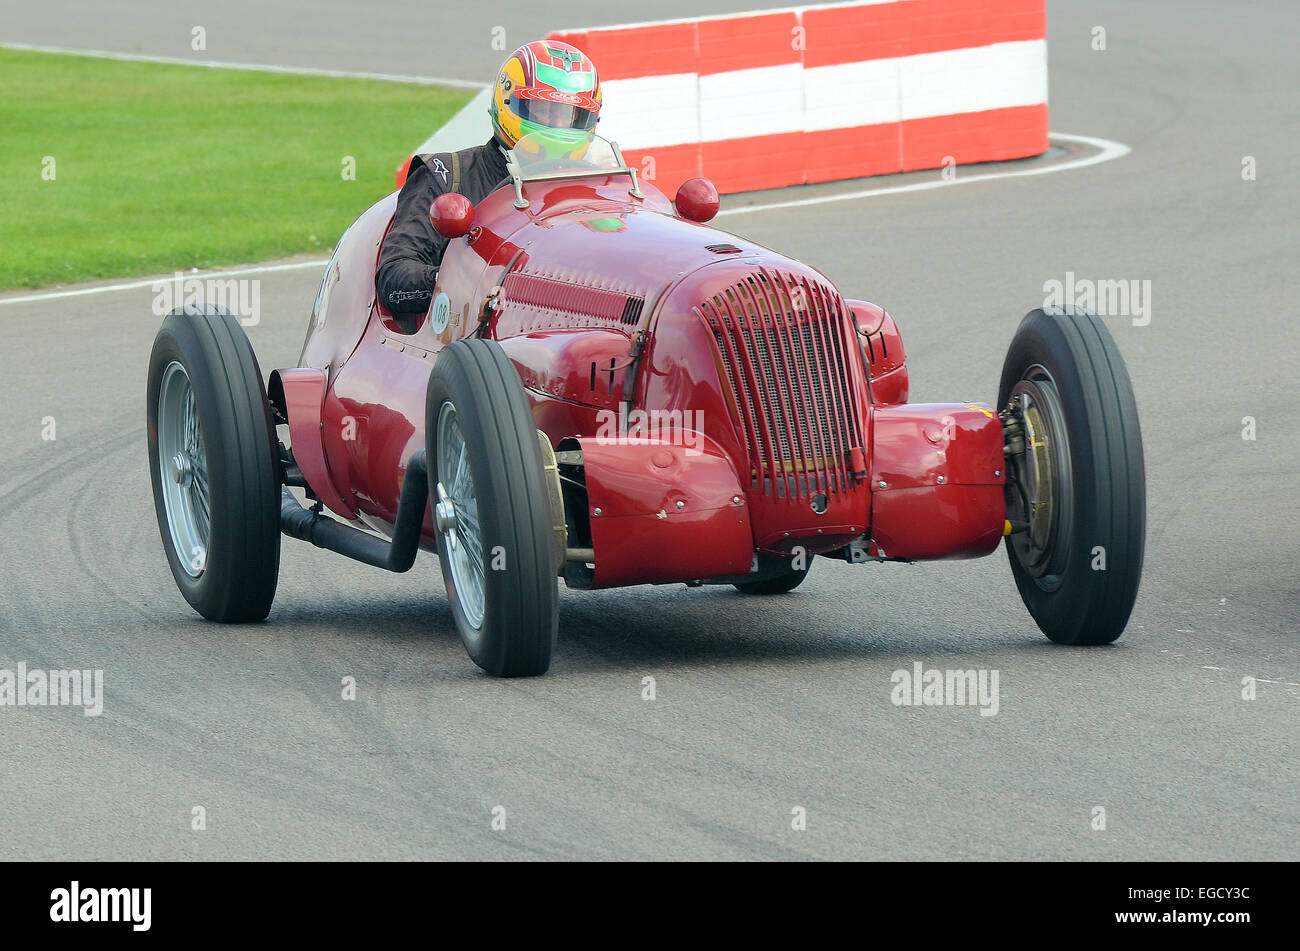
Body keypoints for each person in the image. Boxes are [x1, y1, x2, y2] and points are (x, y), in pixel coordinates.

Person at [375, 39, 603, 320]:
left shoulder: (596, 187)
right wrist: (463, 282)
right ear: (507, 103)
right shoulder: (446, 175)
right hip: (468, 332)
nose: (556, 126)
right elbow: (393, 280)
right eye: (543, 111)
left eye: (570, 117)